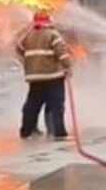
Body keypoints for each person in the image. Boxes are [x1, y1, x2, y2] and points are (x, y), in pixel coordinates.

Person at [16, 9, 72, 141]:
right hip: (53, 76)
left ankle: (26, 131)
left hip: (34, 77)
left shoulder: (28, 35)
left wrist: (28, 62)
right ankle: (59, 133)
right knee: (56, 105)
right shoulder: (53, 34)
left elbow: (19, 48)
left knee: (32, 105)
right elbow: (62, 53)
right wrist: (68, 67)